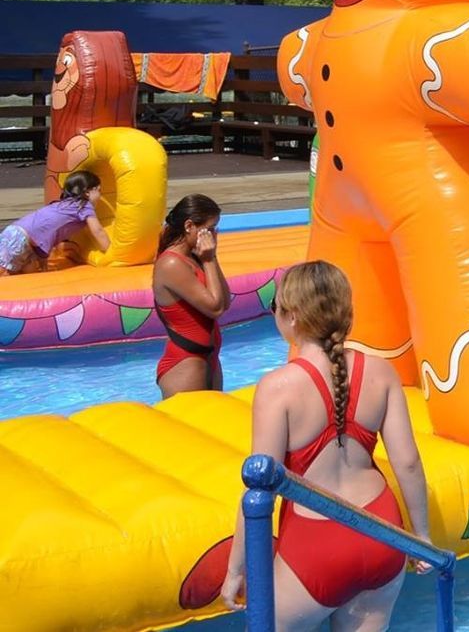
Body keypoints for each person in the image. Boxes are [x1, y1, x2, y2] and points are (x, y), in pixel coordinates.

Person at [221, 260, 431, 629]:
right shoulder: (381, 372)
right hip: (382, 531)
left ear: (292, 318)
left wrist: (237, 568)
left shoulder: (278, 388)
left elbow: (259, 491)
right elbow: (409, 463)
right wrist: (421, 536)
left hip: (316, 544)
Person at [154, 195, 233, 395]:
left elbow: (225, 301)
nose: (214, 234)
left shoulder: (194, 257)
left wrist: (211, 258)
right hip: (185, 362)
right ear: (189, 226)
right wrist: (208, 260)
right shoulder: (171, 264)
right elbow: (214, 308)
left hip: (210, 359)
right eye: (211, 228)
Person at [1, 170, 110, 275]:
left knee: (27, 274)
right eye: (99, 190)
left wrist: (44, 263)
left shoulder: (63, 205)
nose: (100, 195)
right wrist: (111, 252)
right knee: (7, 275)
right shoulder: (84, 206)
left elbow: (45, 229)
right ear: (87, 192)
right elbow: (98, 231)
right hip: (20, 240)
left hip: (16, 234)